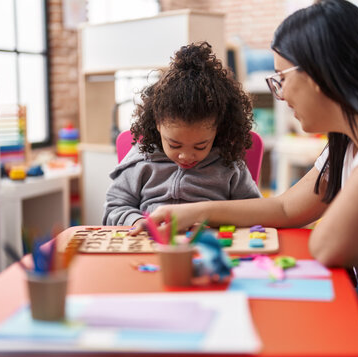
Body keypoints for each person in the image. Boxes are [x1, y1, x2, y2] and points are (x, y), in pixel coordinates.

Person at [148, 1, 358, 357]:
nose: (279, 94)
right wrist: (192, 213)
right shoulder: (348, 136)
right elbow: (286, 207)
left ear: (316, 74)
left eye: (281, 78)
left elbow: (332, 247)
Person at [102, 41, 261, 227]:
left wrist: (215, 224)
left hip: (208, 248)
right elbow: (114, 209)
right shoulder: (140, 162)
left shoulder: (229, 166)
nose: (186, 156)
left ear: (218, 130)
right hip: (151, 247)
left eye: (200, 146)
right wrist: (137, 221)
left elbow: (253, 212)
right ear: (158, 124)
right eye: (174, 145)